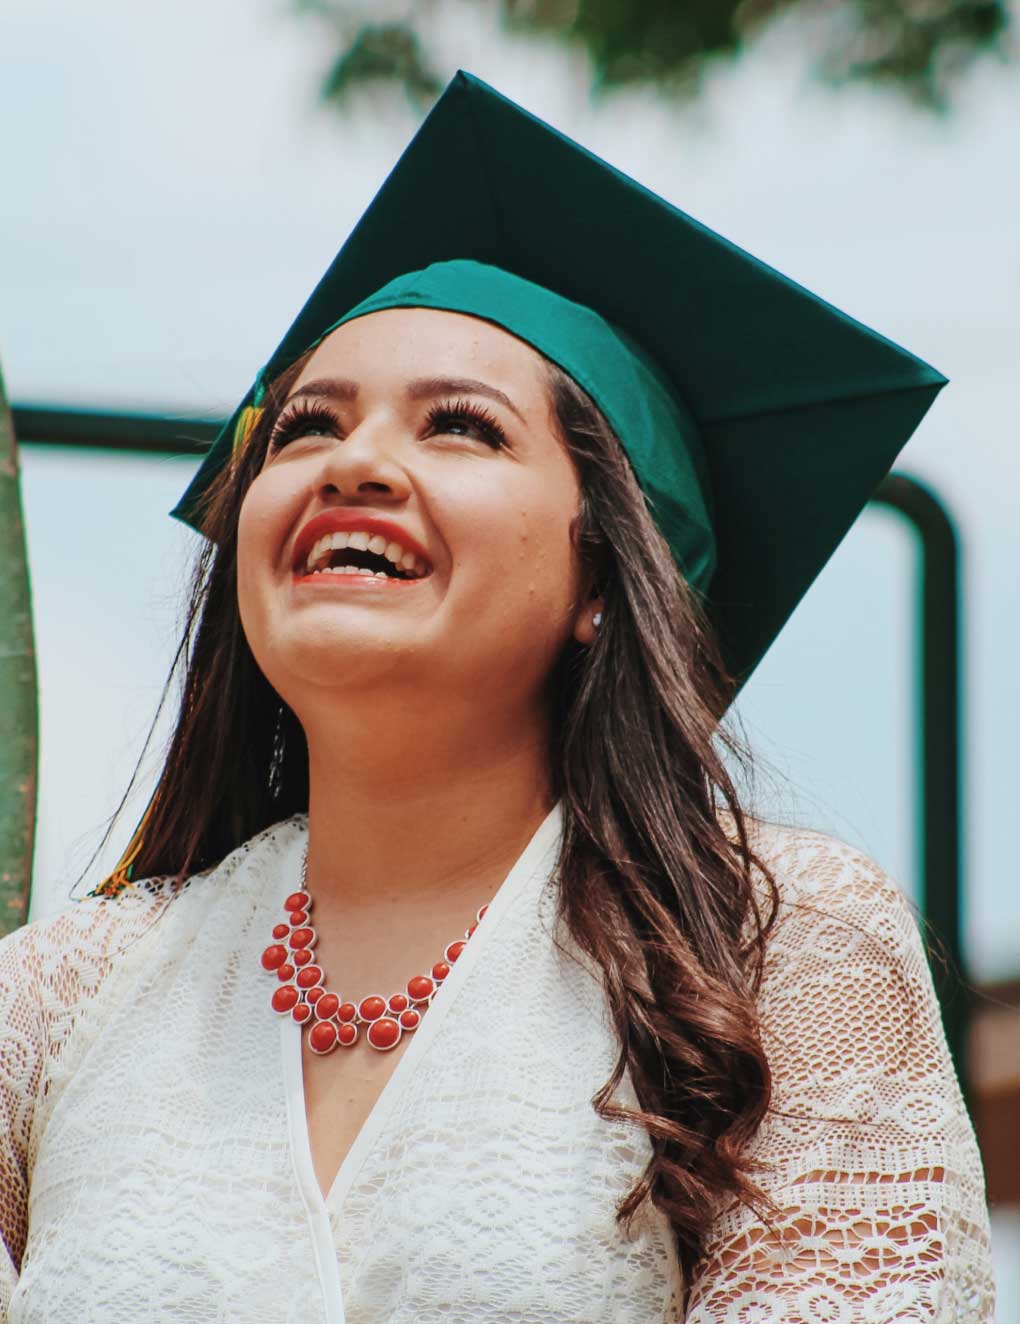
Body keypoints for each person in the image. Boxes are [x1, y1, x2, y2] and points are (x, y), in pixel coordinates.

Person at [0, 73, 993, 1323]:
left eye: (460, 428)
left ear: (603, 577)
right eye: (304, 427)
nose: (354, 462)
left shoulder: (770, 946)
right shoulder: (57, 998)